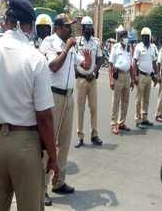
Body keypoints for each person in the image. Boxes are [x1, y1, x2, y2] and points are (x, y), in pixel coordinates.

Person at [0, 0, 59, 211]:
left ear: (6, 22)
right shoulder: (35, 58)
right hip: (25, 144)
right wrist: (53, 156)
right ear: (28, 25)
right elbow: (44, 117)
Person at [40, 13, 92, 201]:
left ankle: (59, 182)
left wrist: (88, 62)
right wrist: (67, 48)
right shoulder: (49, 42)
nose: (72, 28)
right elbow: (53, 66)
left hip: (69, 97)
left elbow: (83, 65)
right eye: (68, 25)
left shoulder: (70, 45)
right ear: (59, 27)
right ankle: (42, 187)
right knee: (48, 143)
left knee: (64, 143)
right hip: (54, 97)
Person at [74, 16, 104, 148]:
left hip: (92, 80)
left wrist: (95, 72)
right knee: (80, 109)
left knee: (93, 108)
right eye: (85, 27)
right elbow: (73, 59)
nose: (88, 29)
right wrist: (77, 71)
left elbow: (101, 59)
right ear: (82, 28)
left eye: (90, 27)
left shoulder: (96, 42)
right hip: (81, 79)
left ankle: (94, 135)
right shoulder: (76, 42)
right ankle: (80, 136)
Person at [109, 26, 134, 135]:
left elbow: (131, 65)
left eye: (127, 37)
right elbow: (110, 64)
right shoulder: (115, 48)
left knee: (125, 101)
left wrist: (133, 78)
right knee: (116, 101)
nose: (126, 39)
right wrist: (111, 80)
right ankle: (114, 124)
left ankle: (121, 122)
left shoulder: (129, 48)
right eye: (124, 37)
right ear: (120, 38)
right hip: (118, 75)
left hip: (127, 75)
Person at [133, 27, 158, 129]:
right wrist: (135, 76)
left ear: (150, 37)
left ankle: (144, 118)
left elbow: (154, 63)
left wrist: (155, 75)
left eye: (147, 37)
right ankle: (138, 119)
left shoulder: (153, 47)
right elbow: (134, 62)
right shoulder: (138, 47)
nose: (145, 39)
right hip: (141, 76)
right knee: (139, 99)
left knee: (146, 99)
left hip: (149, 76)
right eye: (143, 37)